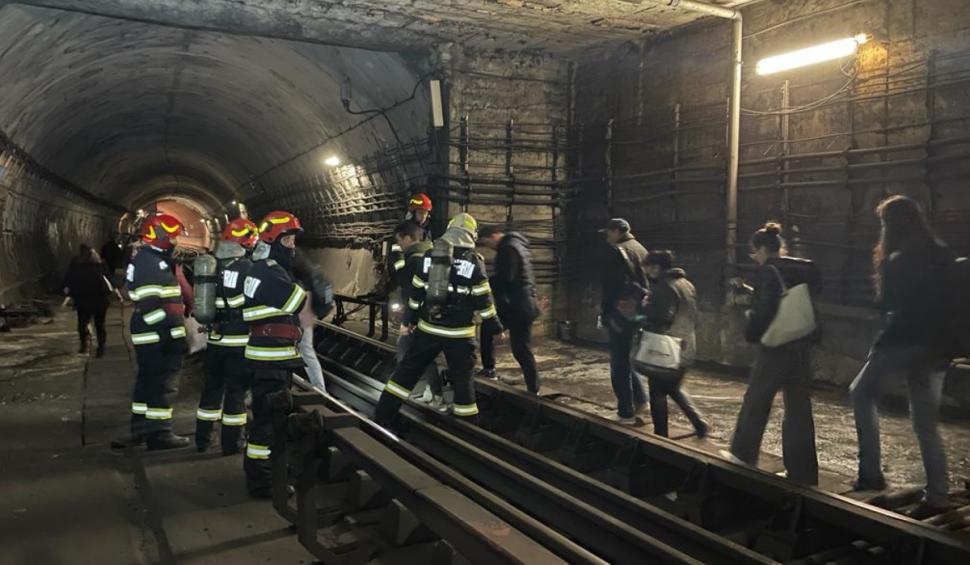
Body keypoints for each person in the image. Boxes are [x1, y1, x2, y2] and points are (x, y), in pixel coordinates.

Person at [849, 195, 952, 517]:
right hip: (938, 351)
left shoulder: (897, 259)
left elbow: (892, 307)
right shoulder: (941, 255)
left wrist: (880, 343)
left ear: (890, 225)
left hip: (903, 344)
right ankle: (938, 495)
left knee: (861, 392)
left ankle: (870, 473)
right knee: (925, 424)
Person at [374, 213, 502, 426]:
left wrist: (409, 320)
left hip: (429, 329)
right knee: (463, 382)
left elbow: (416, 294)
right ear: (471, 235)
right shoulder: (474, 261)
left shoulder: (429, 256)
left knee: (407, 372)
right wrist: (495, 326)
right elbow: (483, 299)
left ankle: (383, 415)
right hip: (460, 335)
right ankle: (467, 430)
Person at [725, 222, 821, 485]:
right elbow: (792, 299)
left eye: (754, 253)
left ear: (763, 249)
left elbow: (766, 309)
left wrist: (752, 333)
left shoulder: (769, 270)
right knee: (799, 408)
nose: (754, 258)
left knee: (756, 400)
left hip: (777, 346)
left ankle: (742, 456)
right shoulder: (805, 267)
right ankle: (803, 472)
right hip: (802, 343)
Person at [241, 210, 308, 497]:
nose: (293, 248)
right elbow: (297, 301)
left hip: (268, 356)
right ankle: (262, 480)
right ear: (275, 241)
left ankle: (269, 470)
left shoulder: (259, 268)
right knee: (267, 422)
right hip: (271, 359)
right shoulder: (270, 271)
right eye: (289, 241)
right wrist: (303, 279)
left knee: (268, 418)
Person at [114, 213, 191, 450]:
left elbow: (132, 293)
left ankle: (140, 431)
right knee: (163, 385)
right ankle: (160, 434)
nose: (176, 241)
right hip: (158, 336)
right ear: (161, 236)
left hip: (150, 334)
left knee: (147, 383)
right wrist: (168, 333)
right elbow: (149, 304)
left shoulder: (147, 259)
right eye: (173, 236)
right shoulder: (153, 262)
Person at [195, 218, 259, 454]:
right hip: (239, 341)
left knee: (211, 390)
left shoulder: (212, 264)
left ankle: (202, 439)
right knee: (235, 394)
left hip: (215, 340)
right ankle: (231, 443)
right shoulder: (247, 268)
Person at [640, 250, 708, 438]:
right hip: (687, 344)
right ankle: (699, 423)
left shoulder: (664, 287)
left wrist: (645, 307)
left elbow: (661, 317)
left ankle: (660, 437)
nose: (646, 272)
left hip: (667, 347)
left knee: (657, 392)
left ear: (656, 267)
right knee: (672, 387)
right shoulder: (686, 284)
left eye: (647, 268)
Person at [476, 225, 541, 393]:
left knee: (520, 349)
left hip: (517, 306)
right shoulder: (517, 245)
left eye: (487, 242)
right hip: (522, 304)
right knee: (516, 345)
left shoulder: (508, 248)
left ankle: (533, 389)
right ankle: (533, 387)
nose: (488, 247)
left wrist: (486, 281)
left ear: (494, 235)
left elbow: (506, 278)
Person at [389, 220, 444, 408]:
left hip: (417, 315)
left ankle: (399, 396)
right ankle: (432, 392)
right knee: (421, 353)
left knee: (407, 352)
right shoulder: (431, 253)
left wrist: (407, 320)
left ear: (407, 238)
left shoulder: (413, 260)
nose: (400, 245)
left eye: (400, 241)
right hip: (431, 314)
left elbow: (408, 288)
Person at [600, 218, 650, 424]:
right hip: (639, 311)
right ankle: (640, 400)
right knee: (626, 356)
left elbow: (612, 285)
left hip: (622, 312)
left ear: (616, 231)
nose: (606, 237)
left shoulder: (617, 251)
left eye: (608, 232)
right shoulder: (640, 248)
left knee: (619, 361)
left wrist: (605, 312)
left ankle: (625, 412)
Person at [292, 250, 334, 391]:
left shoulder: (291, 260)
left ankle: (319, 389)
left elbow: (304, 288)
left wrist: (306, 310)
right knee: (306, 350)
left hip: (299, 312)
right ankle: (320, 389)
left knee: (302, 349)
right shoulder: (303, 261)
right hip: (305, 312)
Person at [64, 244, 112, 357]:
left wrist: (71, 294)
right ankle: (101, 348)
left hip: (83, 301)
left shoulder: (77, 267)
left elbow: (71, 282)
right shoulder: (101, 266)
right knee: (100, 325)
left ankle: (84, 346)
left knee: (82, 324)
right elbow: (108, 282)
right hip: (100, 301)